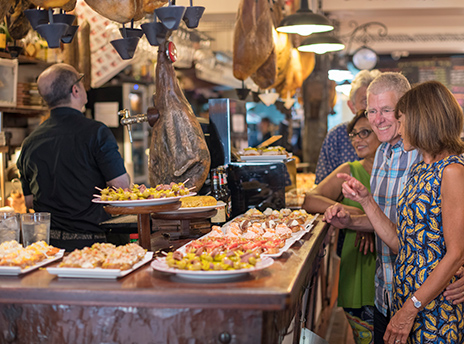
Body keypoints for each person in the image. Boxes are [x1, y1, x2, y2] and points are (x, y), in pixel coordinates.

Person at [324, 73, 464, 343]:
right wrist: (365, 201)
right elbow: (405, 239)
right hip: (397, 296)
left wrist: (410, 309)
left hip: (433, 307)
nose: (395, 125)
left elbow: (455, 249)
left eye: (396, 115)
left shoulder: (451, 169)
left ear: (421, 119)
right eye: (372, 111)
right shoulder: (416, 166)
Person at [17, 63, 130, 251]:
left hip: (49, 248)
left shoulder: (29, 142)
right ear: (75, 90)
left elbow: (29, 202)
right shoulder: (97, 132)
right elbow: (122, 187)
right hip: (96, 246)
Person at [303, 110, 380, 344]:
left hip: (391, 275)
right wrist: (358, 217)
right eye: (354, 135)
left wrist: (370, 224)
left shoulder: (396, 172)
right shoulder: (349, 170)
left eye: (364, 133)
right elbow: (310, 200)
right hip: (357, 269)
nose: (357, 139)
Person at [315, 69, 381, 184]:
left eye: (377, 102)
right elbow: (321, 185)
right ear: (351, 106)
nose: (372, 108)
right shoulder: (337, 136)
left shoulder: (394, 135)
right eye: (365, 102)